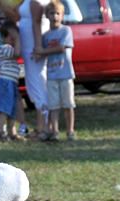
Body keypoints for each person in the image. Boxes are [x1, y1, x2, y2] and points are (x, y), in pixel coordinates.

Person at [35, 0, 75, 141]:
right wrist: (37, 53)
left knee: (68, 104)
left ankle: (70, 131)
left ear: (62, 15)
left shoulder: (66, 31)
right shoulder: (46, 36)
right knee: (54, 106)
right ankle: (55, 131)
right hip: (51, 75)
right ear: (47, 15)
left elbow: (62, 47)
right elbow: (40, 52)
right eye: (52, 13)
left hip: (65, 74)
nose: (55, 16)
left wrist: (43, 51)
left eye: (58, 13)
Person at [18, 0, 50, 137]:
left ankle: (42, 127)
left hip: (33, 48)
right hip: (29, 47)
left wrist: (38, 46)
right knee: (36, 84)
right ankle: (42, 126)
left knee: (37, 85)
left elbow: (37, 22)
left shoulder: (36, 1)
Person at [0, 22, 23, 141]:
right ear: (5, 37)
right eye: (13, 37)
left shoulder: (8, 47)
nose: (15, 39)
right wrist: (18, 40)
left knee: (11, 107)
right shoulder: (4, 48)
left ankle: (12, 131)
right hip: (6, 82)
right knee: (4, 106)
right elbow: (16, 54)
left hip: (11, 81)